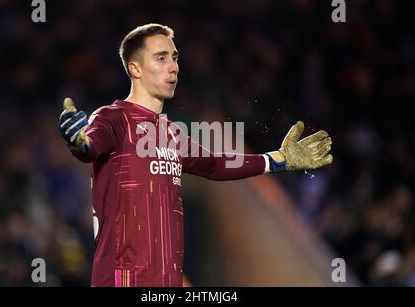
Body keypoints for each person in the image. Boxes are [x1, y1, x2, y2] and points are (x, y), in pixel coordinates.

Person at [59, 23, 333, 287]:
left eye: (175, 58)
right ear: (135, 68)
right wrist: (79, 142)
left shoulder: (170, 133)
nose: (173, 67)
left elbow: (214, 165)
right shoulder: (112, 118)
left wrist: (277, 159)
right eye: (161, 58)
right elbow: (91, 146)